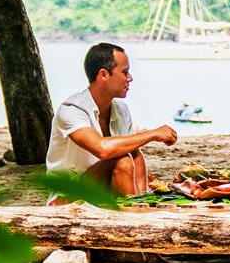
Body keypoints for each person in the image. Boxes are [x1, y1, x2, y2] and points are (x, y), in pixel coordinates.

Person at [45, 43, 177, 201]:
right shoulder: (72, 109)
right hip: (67, 199)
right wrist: (153, 134)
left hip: (103, 192)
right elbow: (102, 149)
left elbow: (135, 155)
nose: (130, 78)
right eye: (125, 72)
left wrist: (147, 196)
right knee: (122, 160)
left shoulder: (121, 109)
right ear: (103, 75)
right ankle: (133, 214)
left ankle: (138, 209)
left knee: (131, 154)